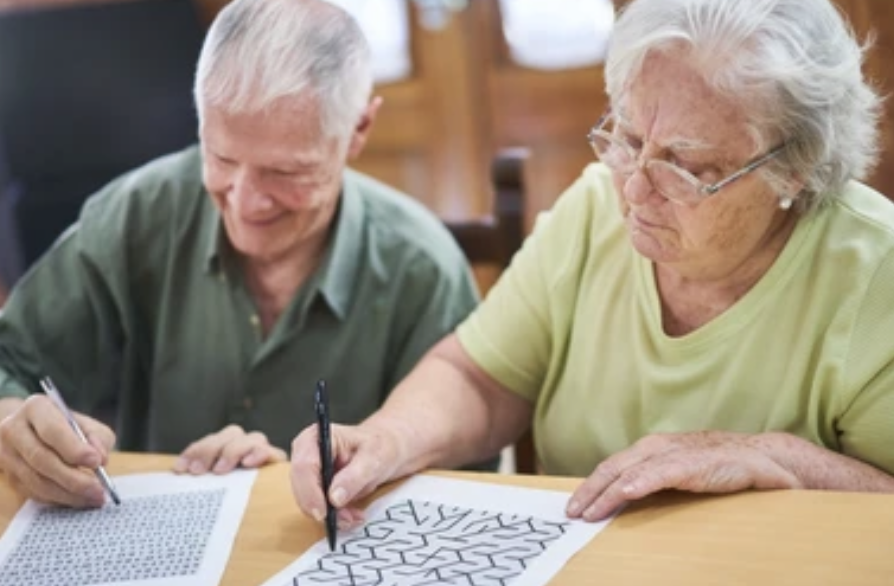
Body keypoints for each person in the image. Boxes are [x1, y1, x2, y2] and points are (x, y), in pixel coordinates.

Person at [291, 0, 894, 528]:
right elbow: (479, 378)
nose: (633, 191)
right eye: (627, 141)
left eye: (683, 167)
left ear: (794, 166)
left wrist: (782, 460)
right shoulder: (592, 211)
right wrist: (388, 439)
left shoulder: (874, 274)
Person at [0, 0, 479, 508]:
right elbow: (12, 359)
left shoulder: (424, 272)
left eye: (285, 173)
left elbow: (463, 486)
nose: (245, 203)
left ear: (358, 130)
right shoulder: (137, 215)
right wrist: (14, 420)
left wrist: (302, 486)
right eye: (221, 157)